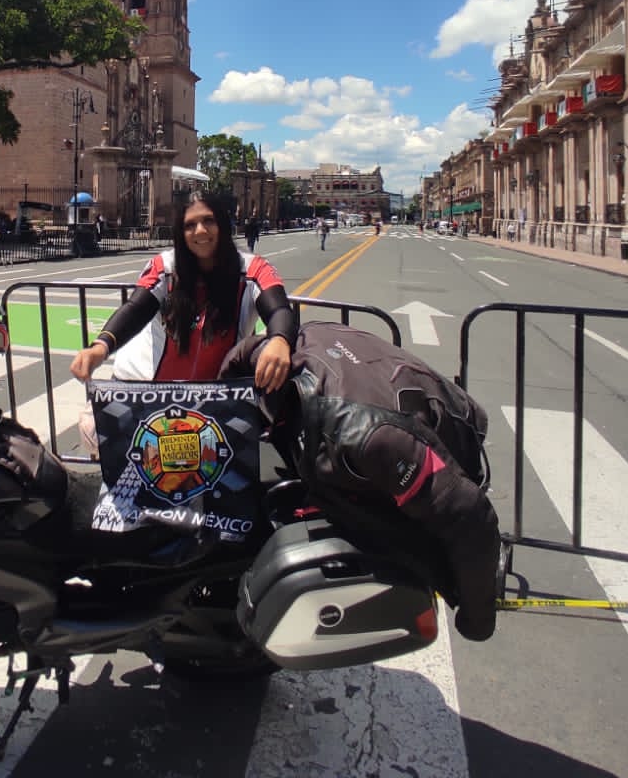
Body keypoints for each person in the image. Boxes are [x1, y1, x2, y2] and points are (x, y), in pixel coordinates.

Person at [219, 323, 501, 643]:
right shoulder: (274, 358)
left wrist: (476, 617)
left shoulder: (368, 437)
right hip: (368, 393)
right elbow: (241, 355)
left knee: (390, 527)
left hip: (443, 430)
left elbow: (469, 511)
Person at [70, 191, 298, 453]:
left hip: (213, 405)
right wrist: (100, 346)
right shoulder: (164, 267)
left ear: (223, 223)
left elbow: (279, 308)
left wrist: (280, 339)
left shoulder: (254, 268)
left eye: (208, 220)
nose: (200, 231)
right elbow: (135, 308)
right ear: (180, 232)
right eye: (189, 225)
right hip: (147, 393)